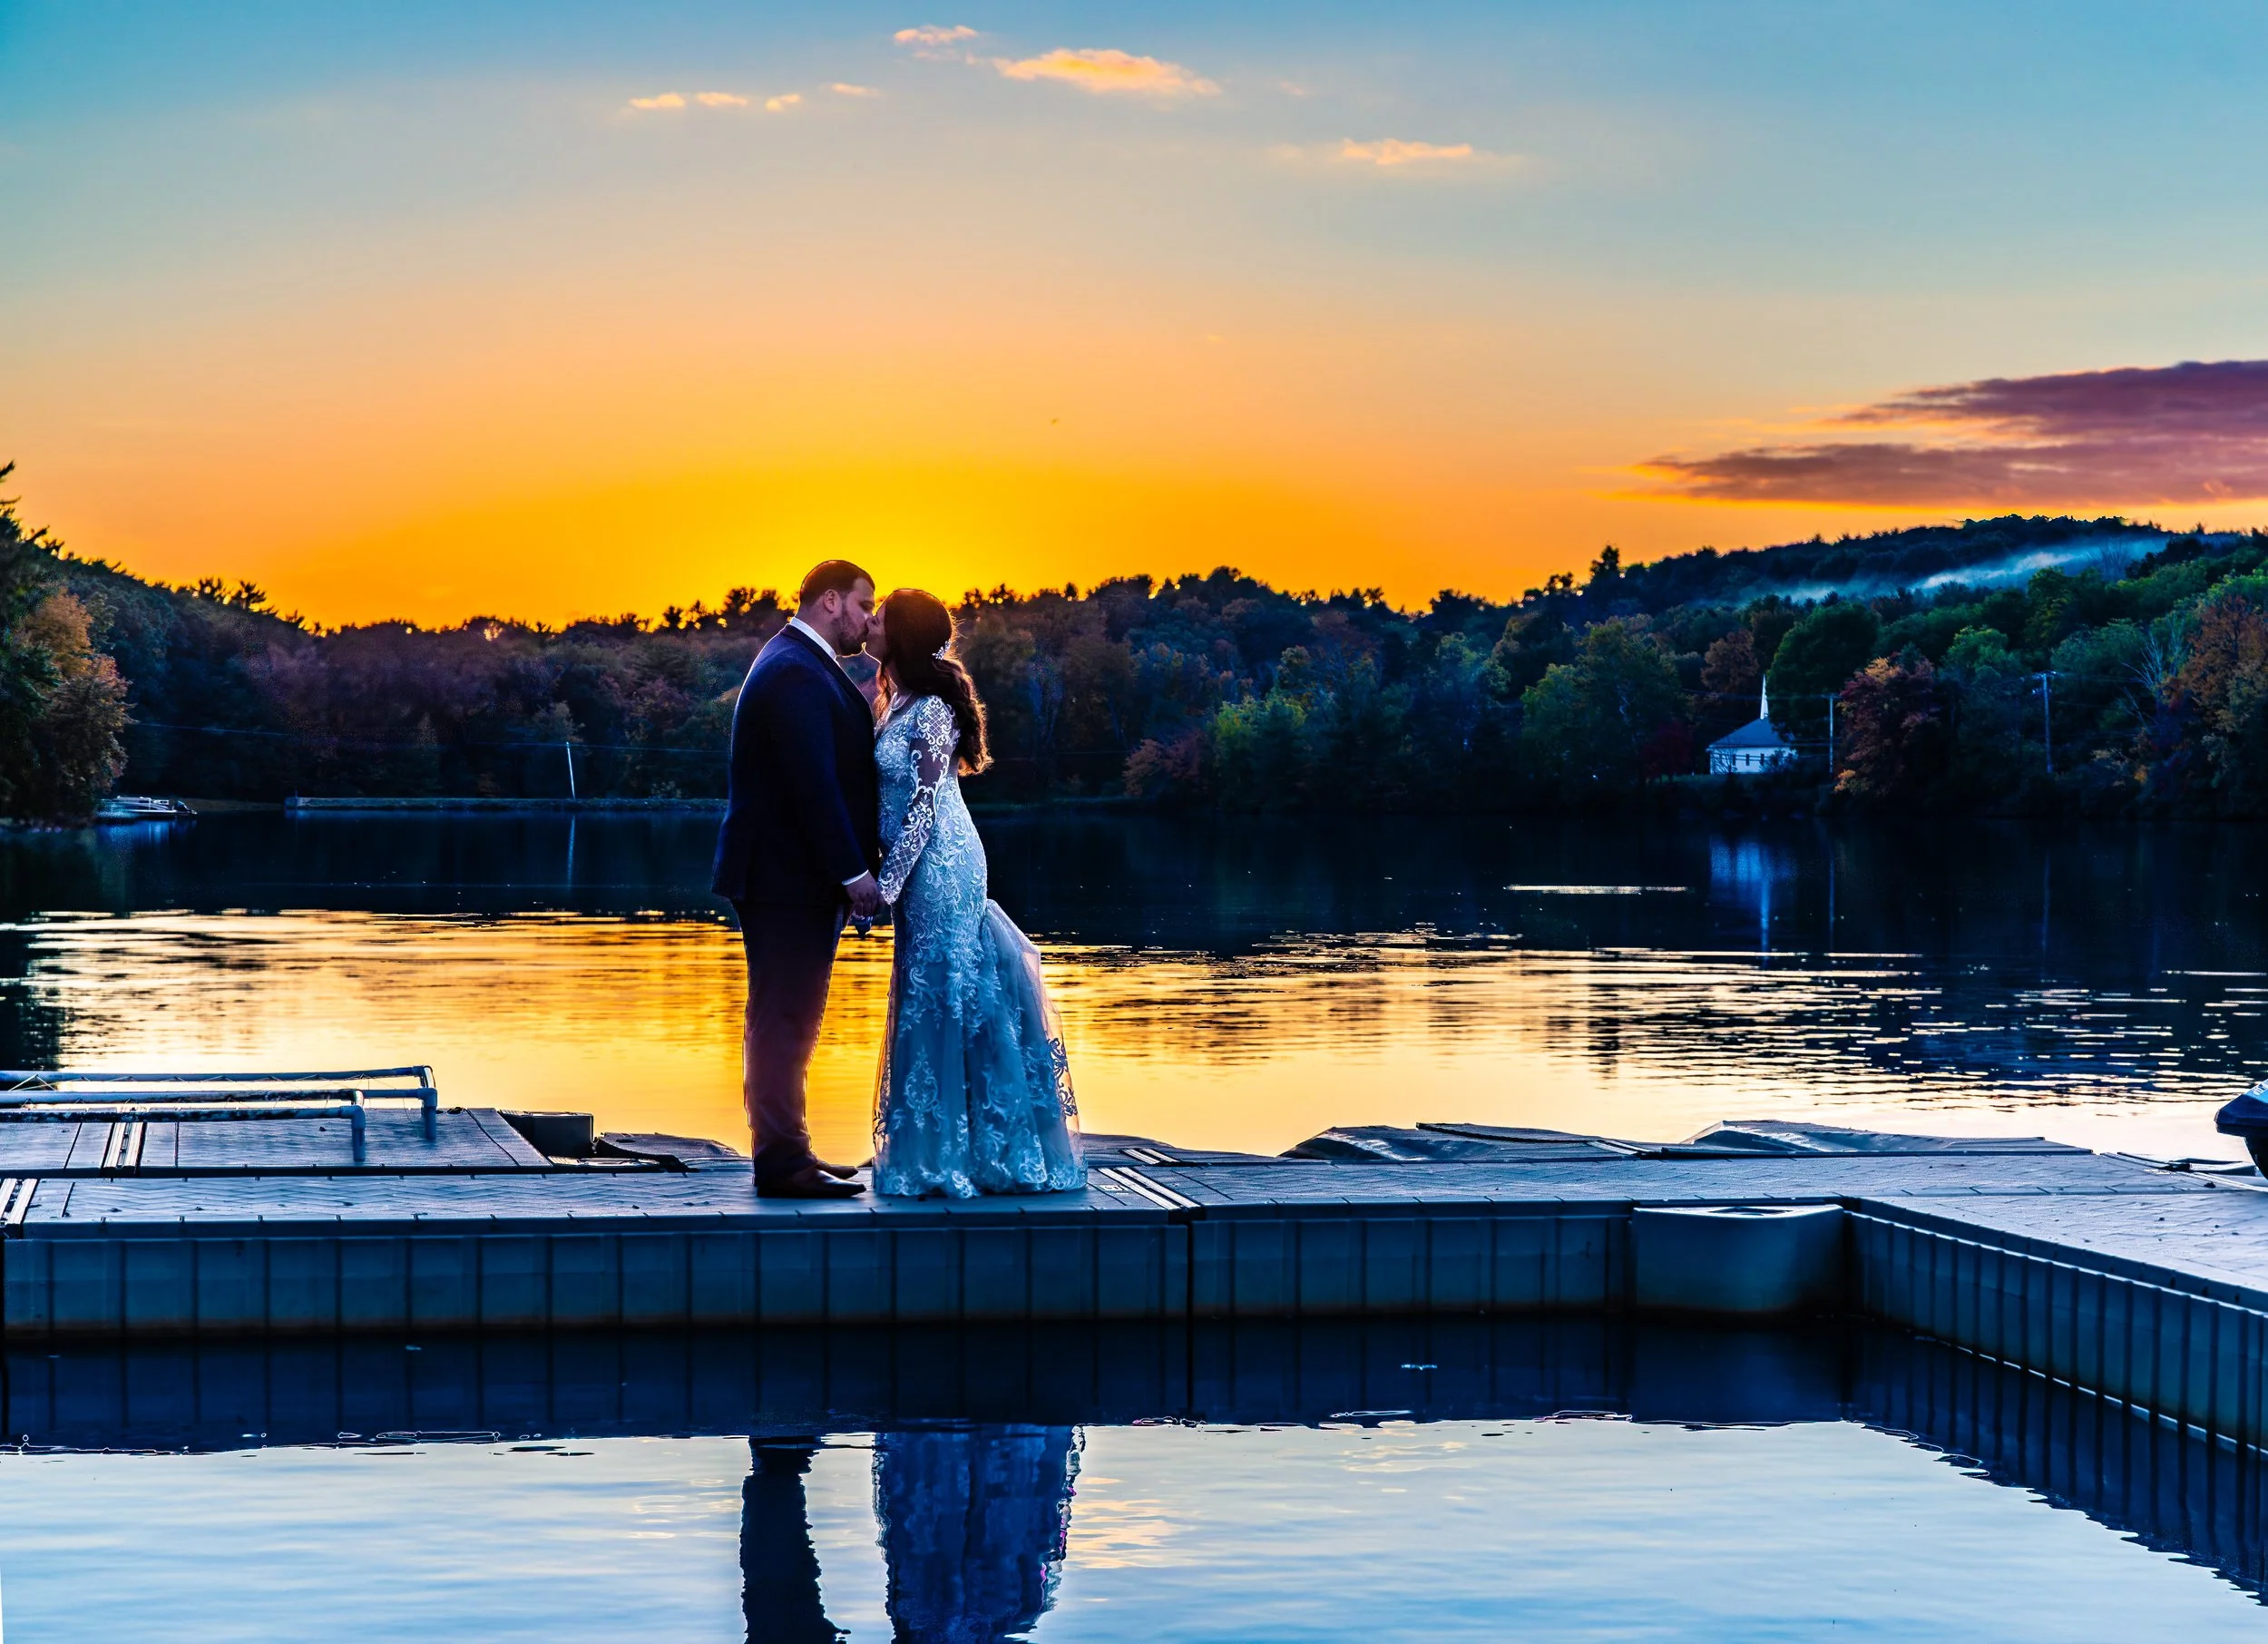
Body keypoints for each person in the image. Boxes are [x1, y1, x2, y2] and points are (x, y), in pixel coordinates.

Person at [865, 588, 1086, 1198]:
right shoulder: (895, 698)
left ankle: (973, 1153)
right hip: (917, 866)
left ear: (901, 635)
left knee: (947, 992)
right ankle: (935, 1148)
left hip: (943, 864)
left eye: (880, 618)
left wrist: (885, 888)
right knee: (926, 992)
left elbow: (923, 807)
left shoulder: (934, 709)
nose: (870, 624)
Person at [711, 560, 883, 1199]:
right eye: (864, 605)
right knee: (785, 1019)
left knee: (788, 1018)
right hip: (784, 876)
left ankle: (790, 1150)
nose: (868, 619)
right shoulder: (793, 670)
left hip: (788, 875)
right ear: (831, 601)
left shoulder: (800, 663)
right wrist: (853, 873)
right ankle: (783, 1163)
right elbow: (812, 784)